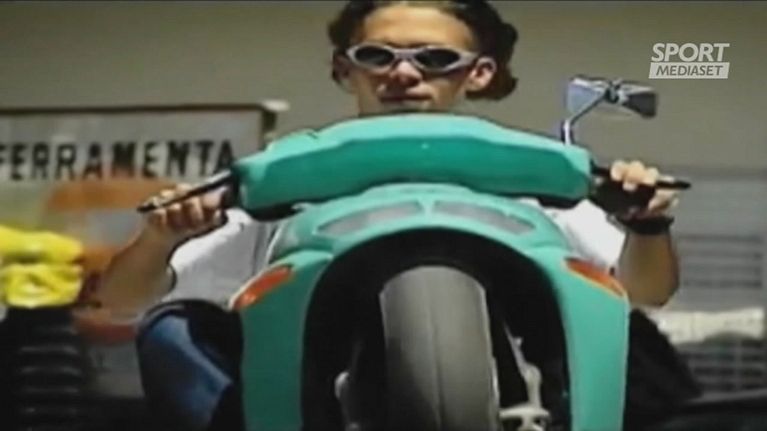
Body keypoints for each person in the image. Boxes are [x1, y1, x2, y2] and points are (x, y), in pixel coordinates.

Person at [85, 1, 683, 430]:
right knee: (175, 328)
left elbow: (645, 290)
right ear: (344, 69)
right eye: (377, 55)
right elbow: (122, 300)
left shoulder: (534, 180)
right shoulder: (287, 181)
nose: (403, 73)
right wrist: (160, 238)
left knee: (617, 321)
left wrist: (648, 224)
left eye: (435, 58)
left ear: (479, 73)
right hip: (304, 379)